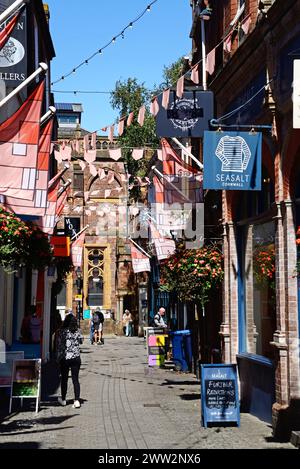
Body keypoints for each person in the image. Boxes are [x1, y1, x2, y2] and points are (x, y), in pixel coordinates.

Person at [56, 314, 83, 408]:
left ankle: (63, 399)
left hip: (65, 358)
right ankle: (77, 400)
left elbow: (59, 345)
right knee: (75, 379)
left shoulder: (61, 331)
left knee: (64, 379)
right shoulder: (78, 331)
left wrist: (58, 358)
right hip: (76, 358)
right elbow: (81, 341)